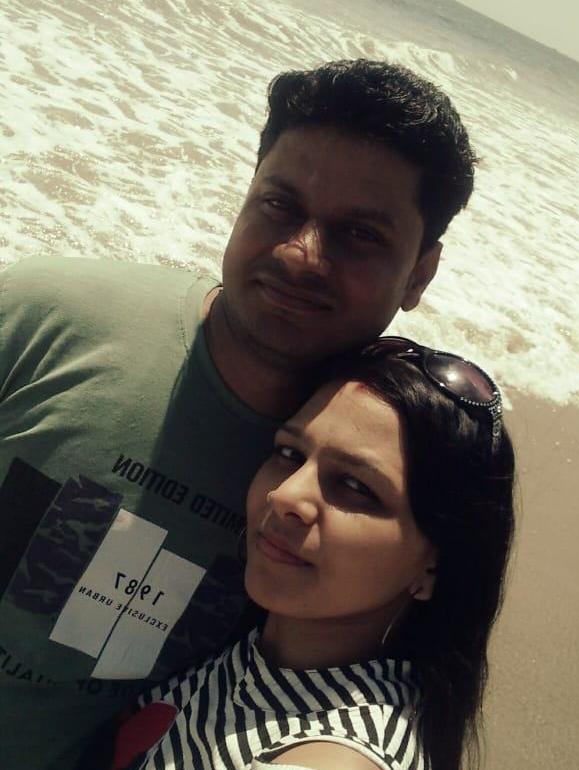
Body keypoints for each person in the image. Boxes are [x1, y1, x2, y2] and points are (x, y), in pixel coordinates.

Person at [0, 60, 477, 769]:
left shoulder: (383, 474)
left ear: (420, 273)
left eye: (361, 235)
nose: (302, 255)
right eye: (280, 205)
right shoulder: (44, 317)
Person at [109, 337, 515, 770]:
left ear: (435, 563)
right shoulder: (262, 653)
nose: (286, 494)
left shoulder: (335, 756)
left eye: (356, 486)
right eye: (290, 453)